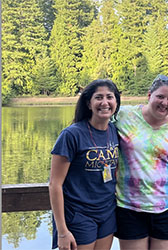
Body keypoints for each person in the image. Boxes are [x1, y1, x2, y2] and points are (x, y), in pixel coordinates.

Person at [113, 74, 168, 250]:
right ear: (149, 95)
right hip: (129, 205)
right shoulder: (124, 115)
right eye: (160, 96)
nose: (164, 102)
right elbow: (94, 124)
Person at [49, 79, 121, 250]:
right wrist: (62, 231)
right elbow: (55, 184)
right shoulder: (71, 135)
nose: (105, 103)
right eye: (98, 98)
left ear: (116, 102)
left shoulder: (115, 131)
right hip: (79, 214)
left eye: (110, 97)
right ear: (89, 103)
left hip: (107, 212)